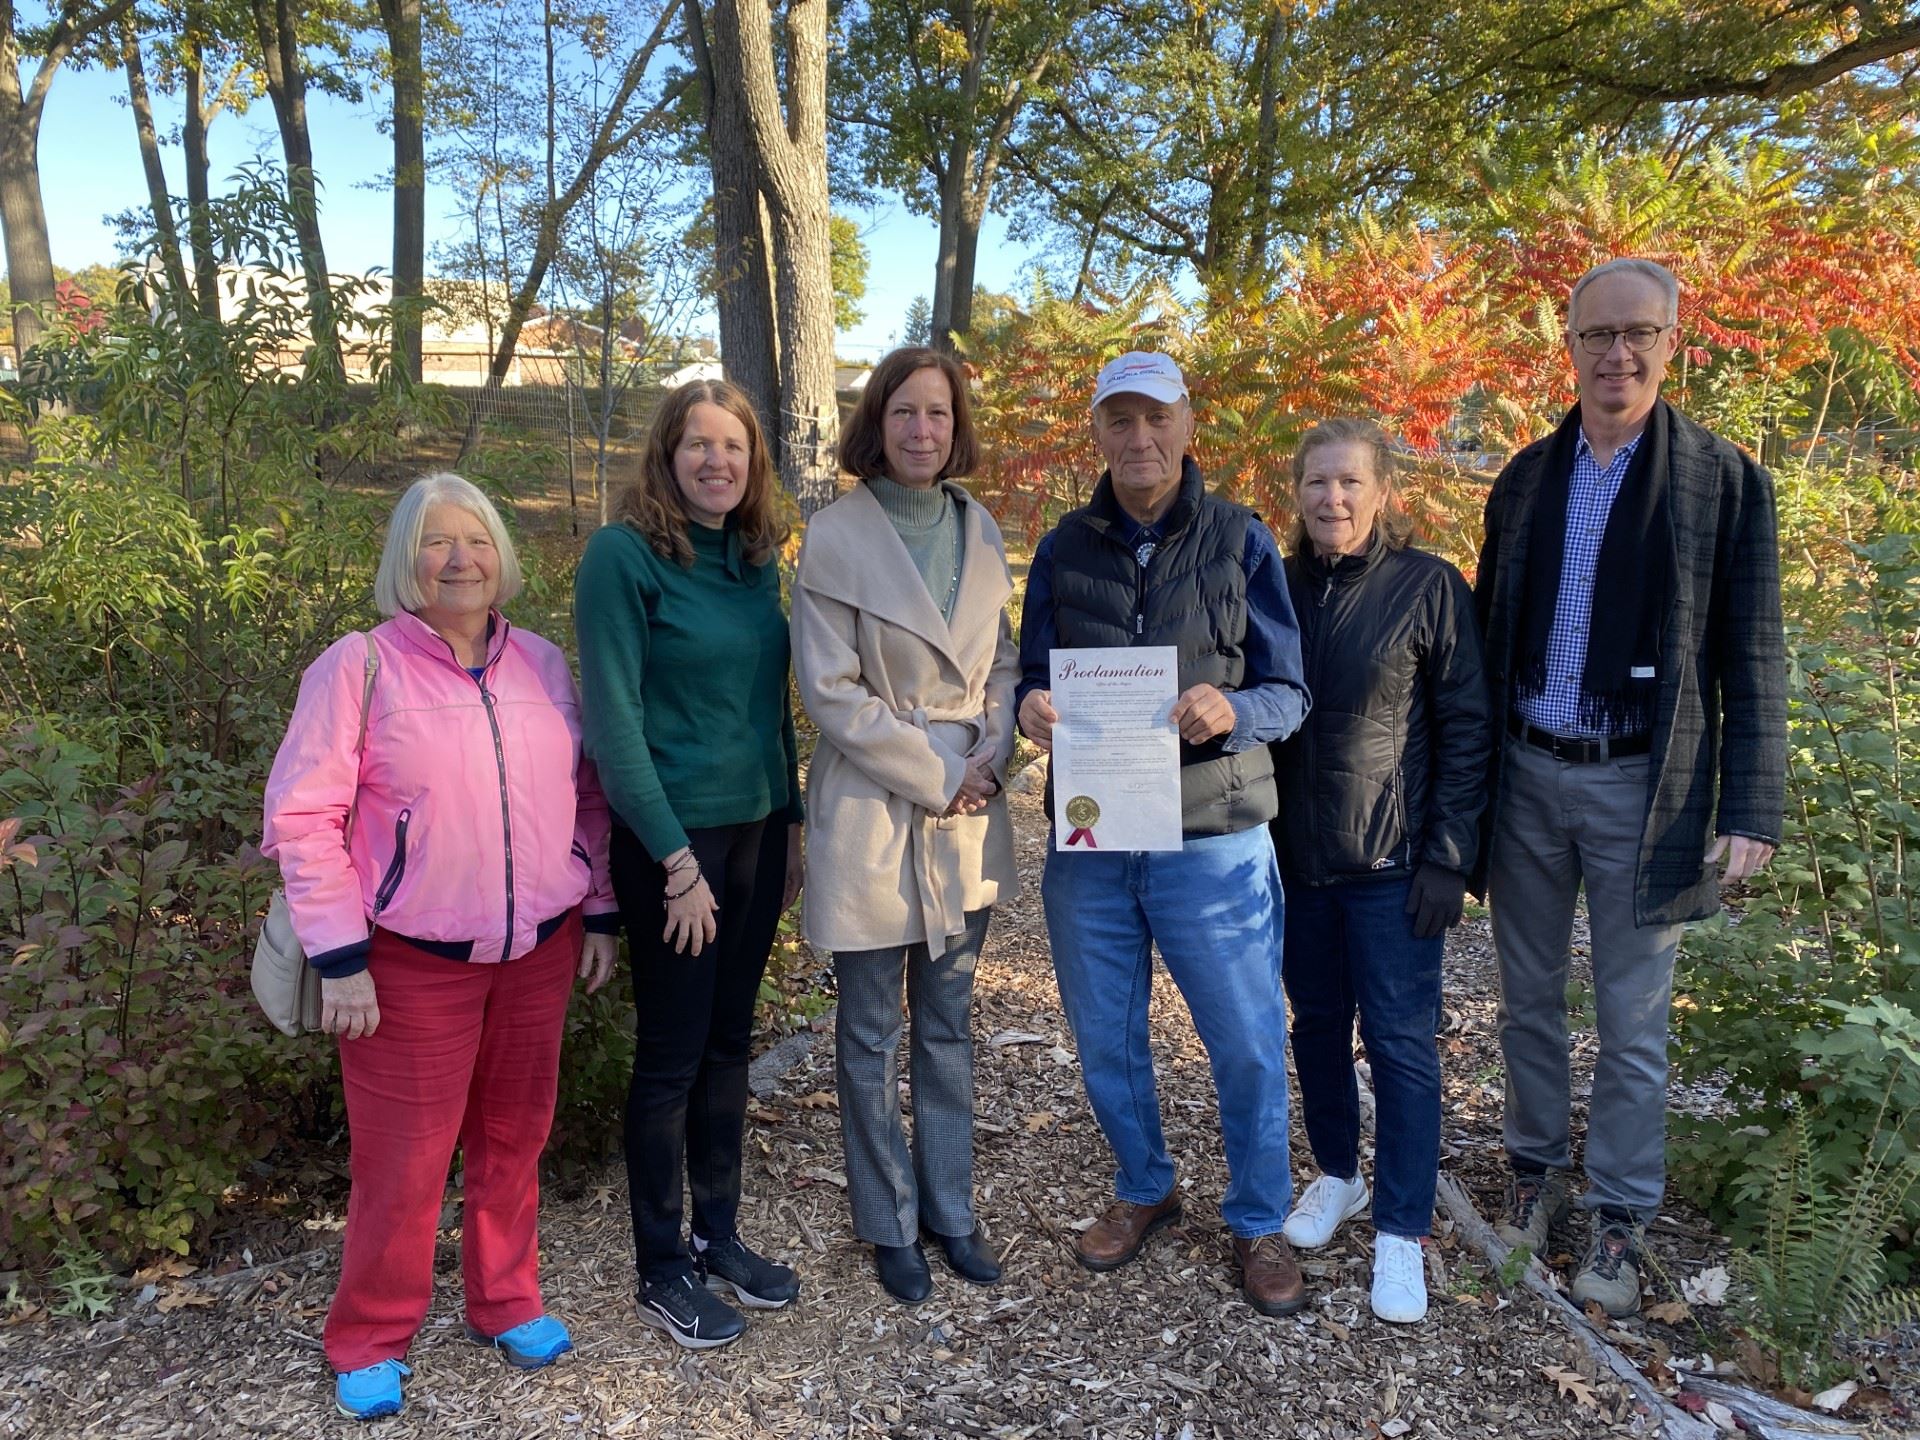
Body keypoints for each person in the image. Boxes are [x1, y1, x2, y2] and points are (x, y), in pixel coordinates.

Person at [263, 473, 621, 1421]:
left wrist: (599, 903)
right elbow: (304, 818)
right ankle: (373, 1334)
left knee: (514, 1138)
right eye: (436, 542)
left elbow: (589, 794)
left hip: (538, 949)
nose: (460, 559)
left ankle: (504, 1298)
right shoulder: (359, 668)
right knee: (404, 1161)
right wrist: (340, 956)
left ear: (502, 556)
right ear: (404, 561)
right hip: (408, 963)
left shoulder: (543, 663)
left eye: (477, 540)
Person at [1475, 258, 1785, 1316]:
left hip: (1643, 786)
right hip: (1524, 773)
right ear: (1567, 344)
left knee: (1632, 1015)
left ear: (1671, 341)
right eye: (1596, 335)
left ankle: (1618, 1211)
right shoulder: (1525, 478)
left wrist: (1752, 802)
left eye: (1638, 333)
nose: (1617, 354)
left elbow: (1754, 654)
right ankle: (1531, 1171)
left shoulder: (1721, 481)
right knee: (1524, 1000)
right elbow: (1485, 639)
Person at [1016, 352, 1312, 1317]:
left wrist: (1233, 709)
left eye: (1157, 418)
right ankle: (1145, 1187)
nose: (1138, 439)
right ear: (1096, 433)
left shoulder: (1241, 540)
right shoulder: (1064, 548)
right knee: (1107, 1039)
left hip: (1213, 838)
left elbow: (1290, 693)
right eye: (1119, 421)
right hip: (1095, 840)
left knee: (1247, 1041)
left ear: (1188, 426)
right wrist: (1031, 711)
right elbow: (1030, 677)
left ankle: (1260, 1217)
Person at [574, 380, 805, 1350]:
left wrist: (789, 828)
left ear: (754, 464)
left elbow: (765, 709)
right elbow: (613, 723)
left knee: (728, 1046)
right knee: (671, 1057)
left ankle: (719, 1235)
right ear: (667, 454)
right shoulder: (623, 559)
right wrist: (672, 859)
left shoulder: (754, 562)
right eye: (699, 444)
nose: (718, 461)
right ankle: (661, 1266)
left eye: (736, 447)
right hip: (673, 844)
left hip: (754, 837)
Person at [791, 347, 1019, 1304]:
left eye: (937, 413)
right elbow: (830, 692)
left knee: (951, 1023)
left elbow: (1004, 664)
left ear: (956, 424)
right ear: (875, 425)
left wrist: (994, 757)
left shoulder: (982, 526)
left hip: (968, 805)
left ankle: (951, 1210)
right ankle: (887, 1223)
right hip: (875, 811)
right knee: (872, 1026)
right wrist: (940, 772)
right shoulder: (837, 535)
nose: (923, 431)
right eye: (904, 414)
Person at [1267, 419, 1491, 1324]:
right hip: (1296, 862)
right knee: (1316, 1023)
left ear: (1383, 490)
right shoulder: (1272, 587)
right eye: (1318, 482)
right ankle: (1336, 1175)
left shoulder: (1427, 586)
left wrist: (1449, 855)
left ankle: (1402, 1229)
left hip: (1394, 864)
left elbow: (1468, 728)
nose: (1335, 499)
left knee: (1399, 1046)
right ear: (1297, 492)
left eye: (1351, 482)